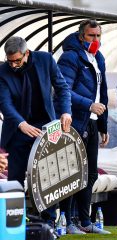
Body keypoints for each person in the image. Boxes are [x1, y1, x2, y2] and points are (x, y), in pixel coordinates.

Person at [57, 19, 110, 234]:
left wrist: (104, 125)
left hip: (92, 121)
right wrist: (89, 105)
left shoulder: (99, 57)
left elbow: (103, 92)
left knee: (90, 174)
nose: (95, 40)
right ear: (81, 36)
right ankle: (67, 222)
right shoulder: (69, 57)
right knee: (72, 174)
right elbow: (63, 91)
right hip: (74, 122)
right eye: (91, 36)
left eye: (98, 36)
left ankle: (85, 222)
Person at [0, 36, 72, 187]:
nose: (13, 65)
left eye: (17, 61)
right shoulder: (2, 71)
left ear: (26, 53)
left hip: (45, 129)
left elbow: (62, 88)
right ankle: (18, 211)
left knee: (49, 179)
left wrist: (66, 112)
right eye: (10, 61)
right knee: (15, 182)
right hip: (17, 130)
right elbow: (5, 103)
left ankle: (50, 212)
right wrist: (21, 123)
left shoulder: (46, 60)